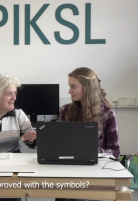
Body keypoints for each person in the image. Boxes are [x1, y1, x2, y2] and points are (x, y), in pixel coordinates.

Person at [55, 67, 120, 201]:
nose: (69, 91)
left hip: (95, 170)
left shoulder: (107, 114)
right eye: (69, 86)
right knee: (65, 196)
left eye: (73, 87)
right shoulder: (65, 110)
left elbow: (115, 152)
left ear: (87, 87)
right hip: (68, 169)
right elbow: (59, 143)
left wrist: (90, 151)